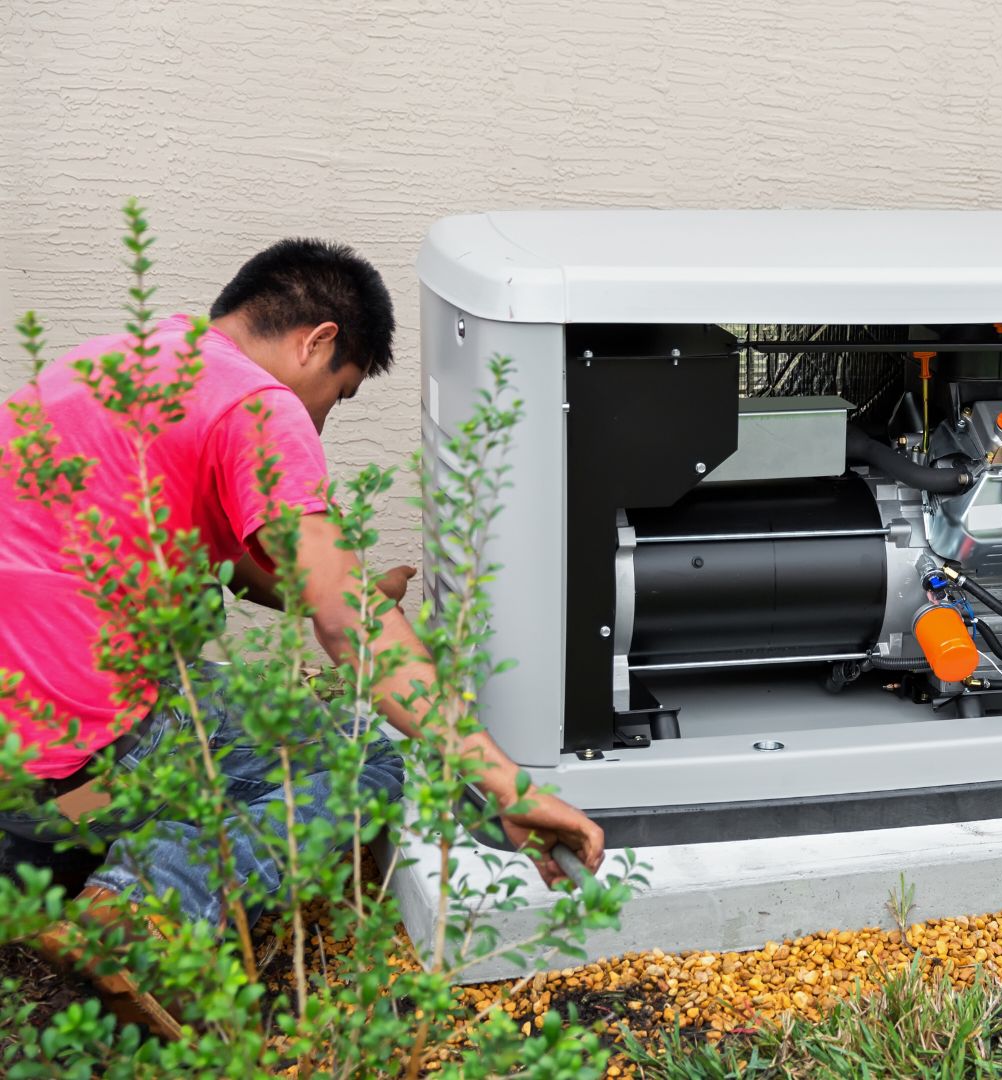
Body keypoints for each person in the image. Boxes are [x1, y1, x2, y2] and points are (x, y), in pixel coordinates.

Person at [0, 239, 606, 1032]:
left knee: (261, 711)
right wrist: (508, 785)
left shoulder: (115, 361)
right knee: (376, 756)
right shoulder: (258, 405)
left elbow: (226, 560)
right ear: (316, 340)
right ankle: (137, 912)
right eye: (339, 394)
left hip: (19, 744)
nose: (319, 419)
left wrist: (333, 584)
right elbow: (350, 632)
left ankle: (50, 853)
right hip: (75, 749)